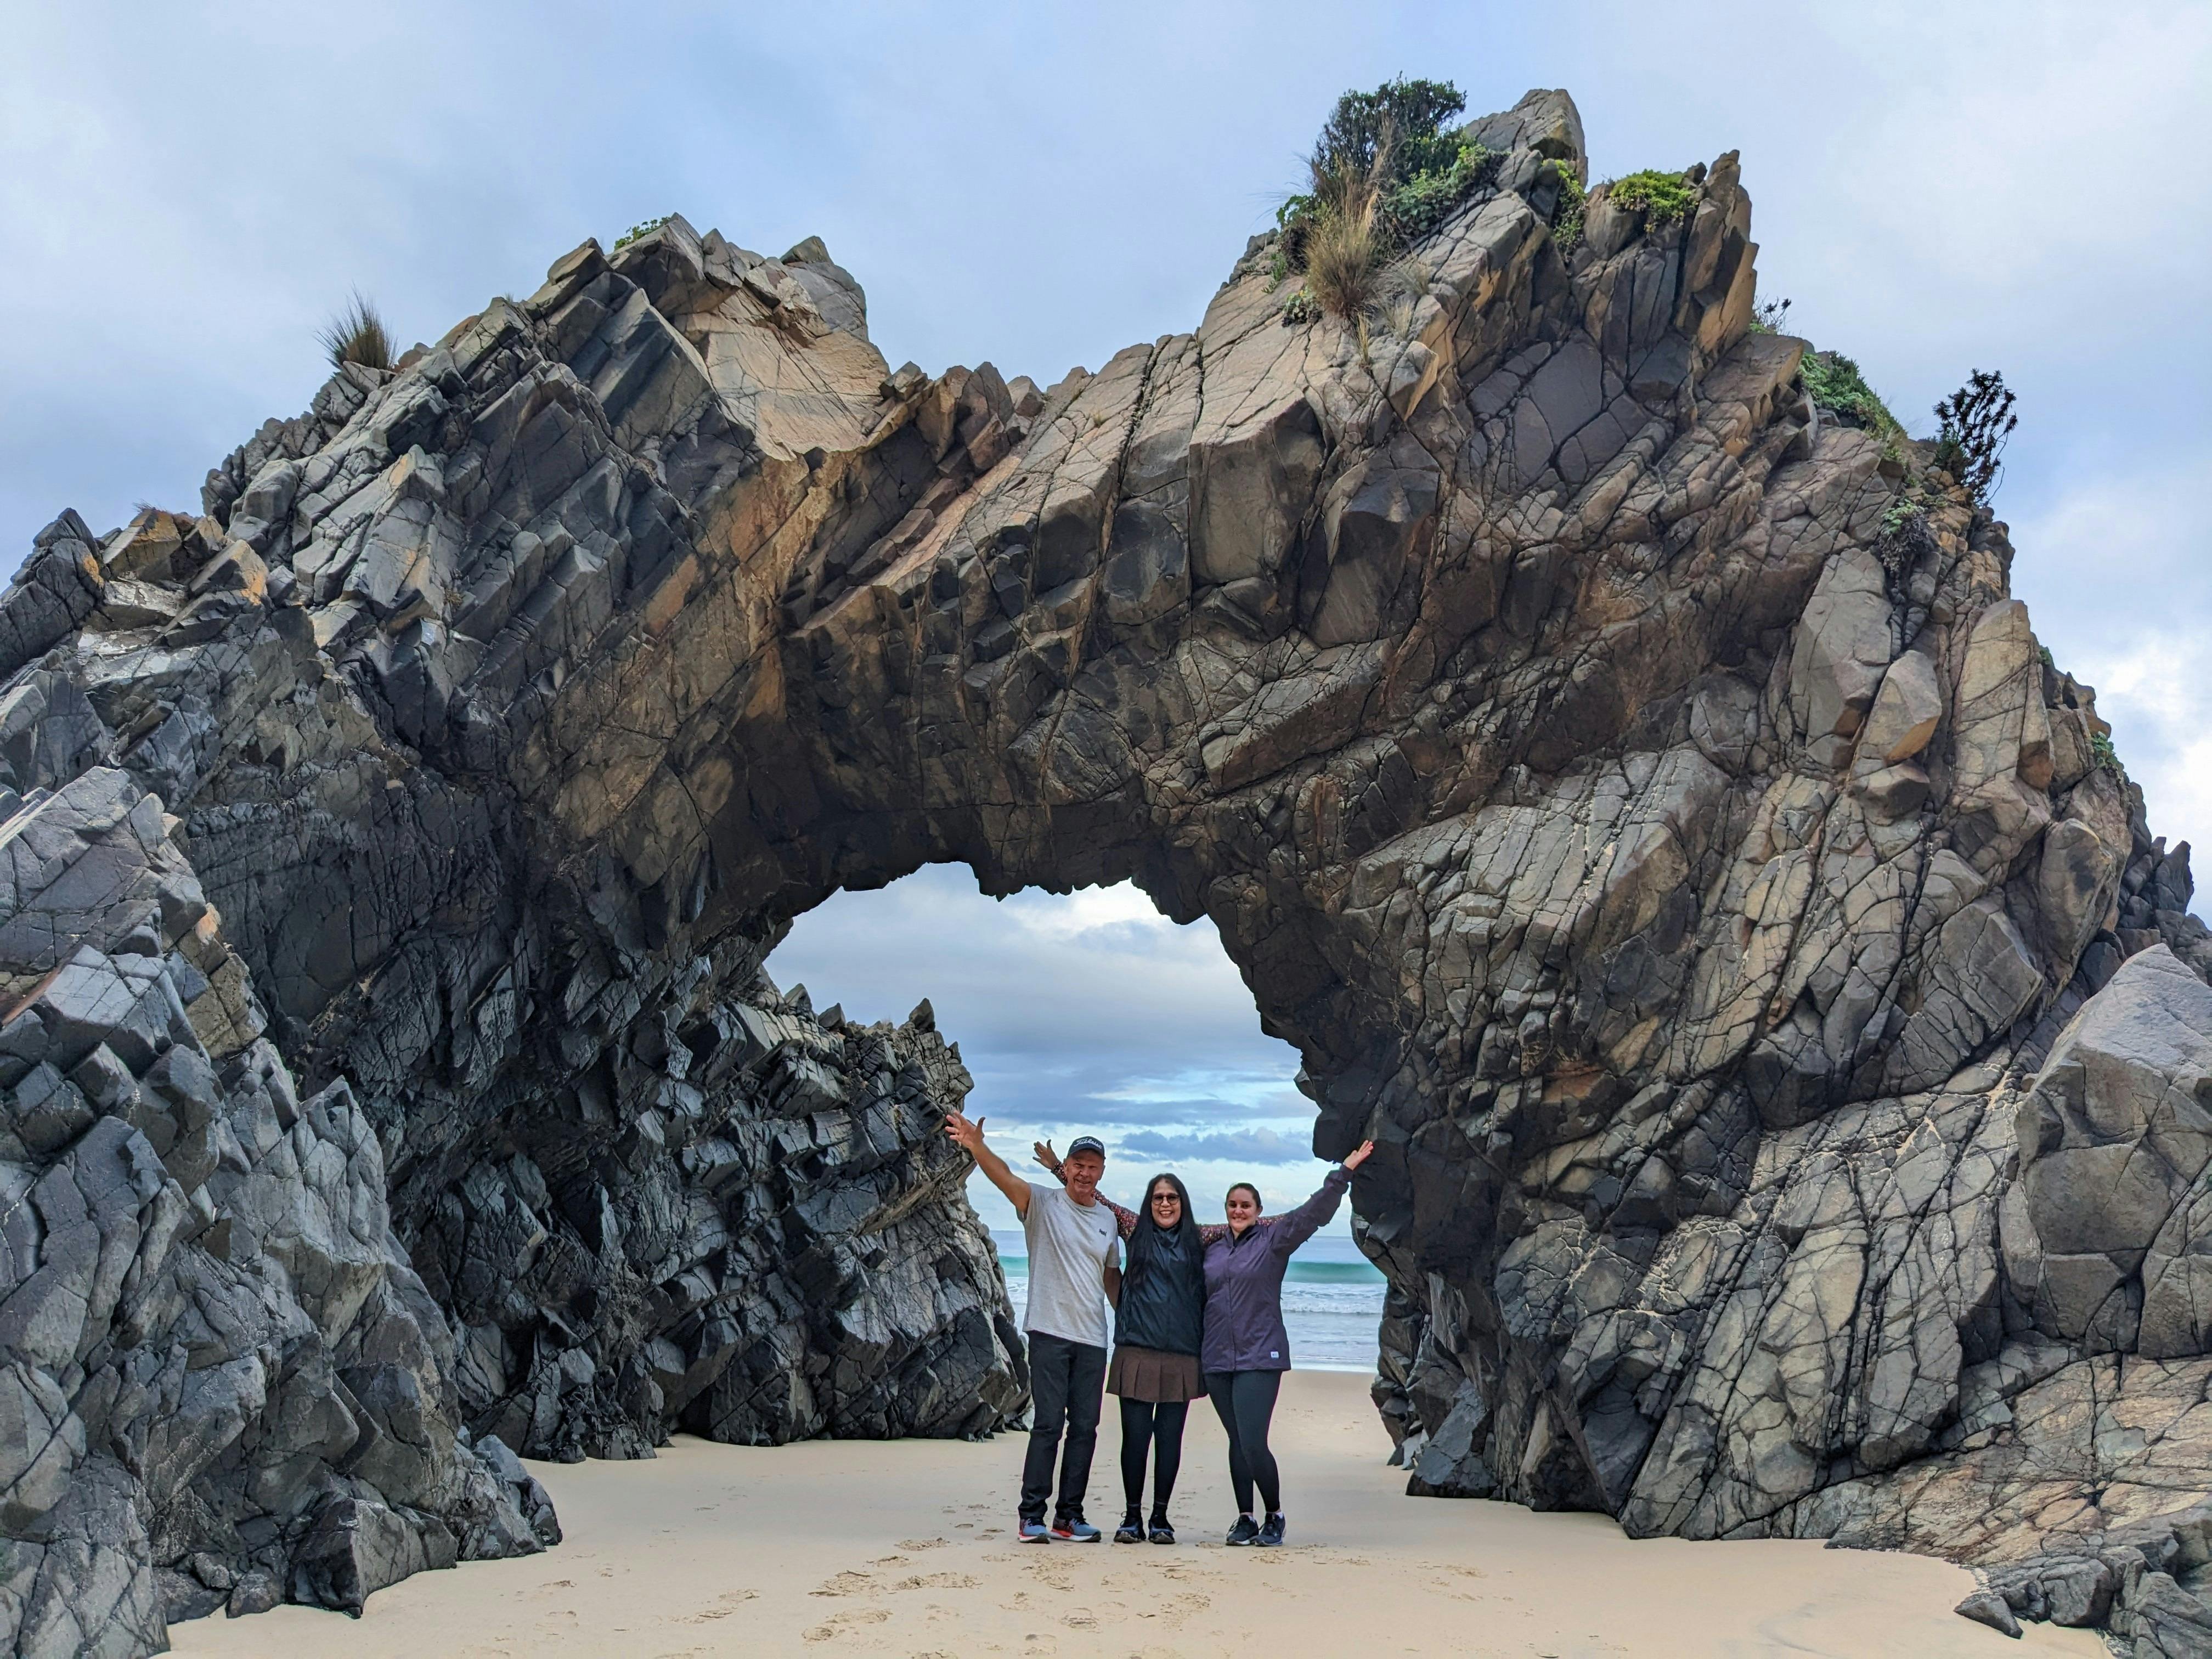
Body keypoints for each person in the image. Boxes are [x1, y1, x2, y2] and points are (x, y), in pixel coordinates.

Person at [944, 1110, 1119, 1543]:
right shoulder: (1041, 1202)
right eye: (1078, 1164)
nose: (1084, 1172)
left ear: (1101, 1171)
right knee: (1047, 1426)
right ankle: (1031, 1515)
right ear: (1069, 1168)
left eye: (1092, 1166)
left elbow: (1112, 1280)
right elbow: (1004, 1177)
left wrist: (1135, 1323)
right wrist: (976, 1145)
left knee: (1085, 1429)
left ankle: (1069, 1516)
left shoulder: (1108, 1220)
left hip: (1093, 1339)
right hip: (1049, 1332)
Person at [1202, 1141, 1374, 1548]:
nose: (1239, 1211)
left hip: (1261, 1355)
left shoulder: (1274, 1239)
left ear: (1258, 1210)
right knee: (1235, 1441)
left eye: (1246, 1205)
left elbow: (1313, 1213)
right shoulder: (1211, 1248)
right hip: (1217, 1358)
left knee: (1252, 1441)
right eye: (1232, 1205)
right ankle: (1245, 1518)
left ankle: (1274, 1515)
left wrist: (1344, 1171)